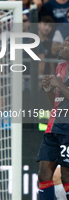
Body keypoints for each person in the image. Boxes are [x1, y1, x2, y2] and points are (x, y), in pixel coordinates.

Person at [37, 36, 69, 199]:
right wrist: (49, 88)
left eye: (66, 43)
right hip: (54, 125)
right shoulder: (60, 67)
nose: (61, 46)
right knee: (43, 174)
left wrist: (59, 85)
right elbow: (56, 103)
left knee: (66, 176)